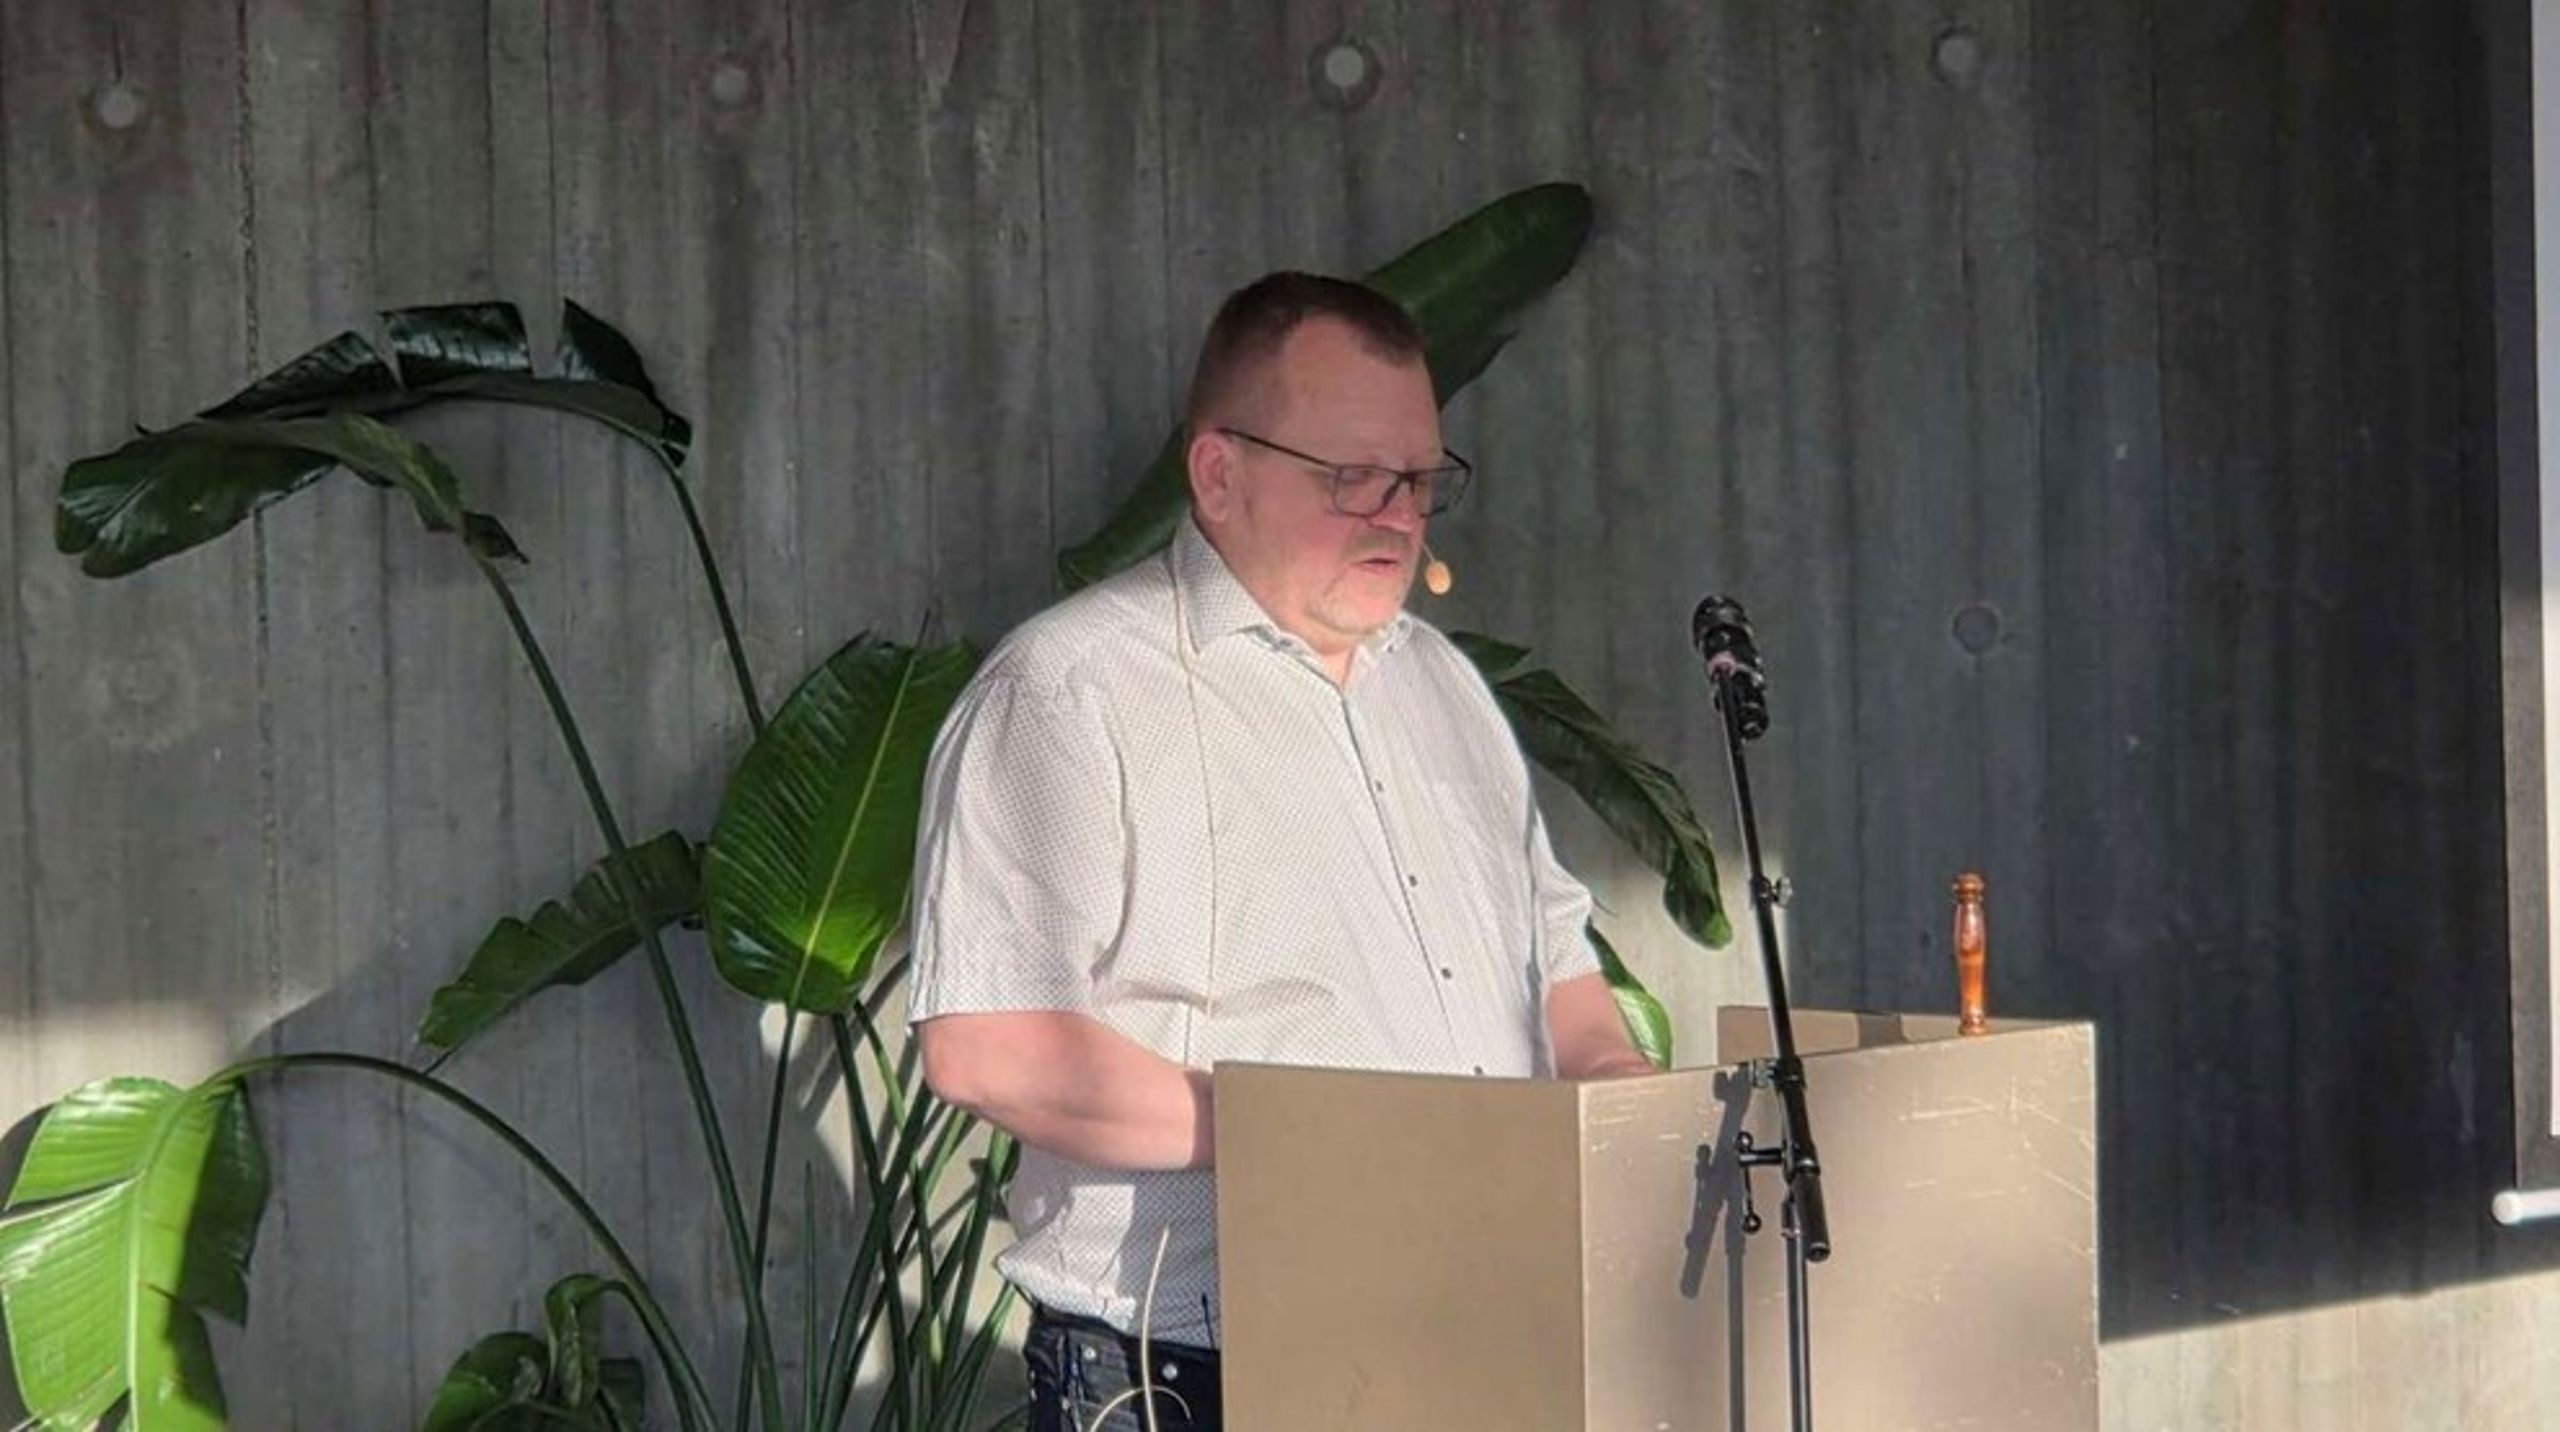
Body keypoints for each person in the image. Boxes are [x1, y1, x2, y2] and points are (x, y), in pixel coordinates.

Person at [908, 271, 1651, 1431]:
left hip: (1478, 1325)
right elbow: (986, 1046)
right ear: (1219, 474)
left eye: (1418, 480)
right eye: (1351, 478)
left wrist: (1617, 1092)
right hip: (1187, 1365)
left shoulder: (1444, 686)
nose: (1396, 515)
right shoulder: (1067, 691)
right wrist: (1306, 1142)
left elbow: (1555, 963)